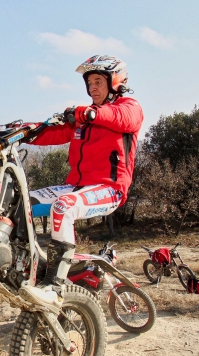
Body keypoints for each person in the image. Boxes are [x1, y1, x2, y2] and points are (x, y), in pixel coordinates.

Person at [16, 55, 144, 311]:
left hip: (110, 189)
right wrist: (16, 131)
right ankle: (23, 267)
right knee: (21, 201)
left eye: (98, 81)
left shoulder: (128, 108)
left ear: (115, 82)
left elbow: (122, 117)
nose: (92, 87)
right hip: (77, 186)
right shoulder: (86, 119)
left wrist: (88, 113)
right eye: (90, 83)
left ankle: (54, 287)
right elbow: (50, 132)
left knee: (63, 206)